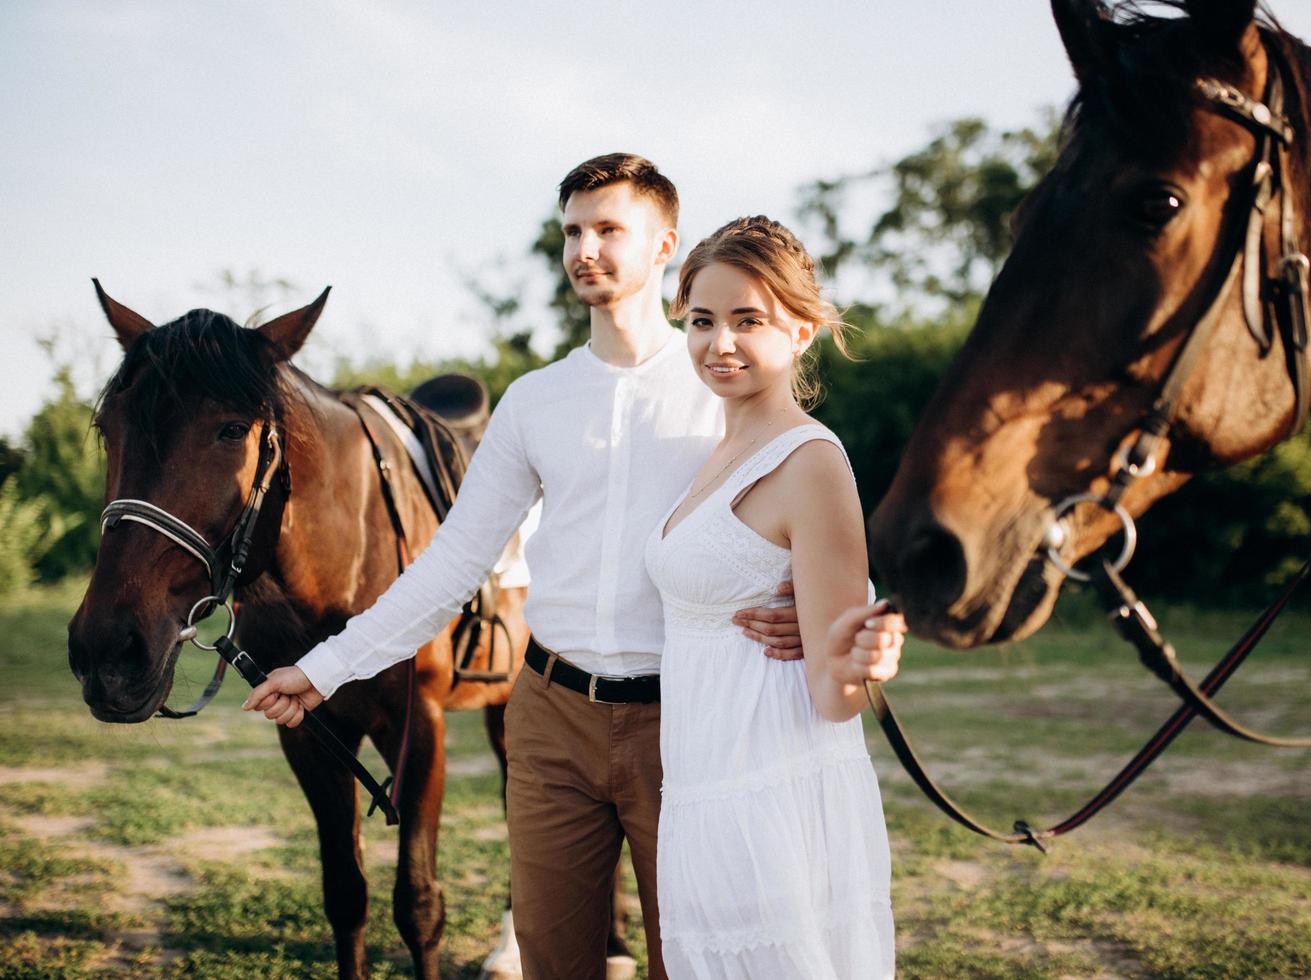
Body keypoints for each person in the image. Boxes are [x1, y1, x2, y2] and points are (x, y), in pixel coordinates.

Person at [242, 154, 805, 980]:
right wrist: (324, 669)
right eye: (574, 230)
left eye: (610, 229)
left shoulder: (722, 390)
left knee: (688, 959)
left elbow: (809, 526)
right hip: (548, 719)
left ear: (665, 248)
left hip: (684, 719)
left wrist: (837, 610)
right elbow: (450, 566)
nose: (586, 248)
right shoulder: (535, 400)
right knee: (552, 961)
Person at [646, 216, 903, 978]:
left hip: (772, 791)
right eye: (701, 320)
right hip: (700, 783)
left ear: (801, 331)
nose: (719, 342)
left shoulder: (812, 462)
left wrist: (867, 655)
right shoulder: (710, 454)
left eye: (747, 320)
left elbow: (834, 693)